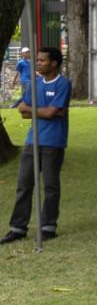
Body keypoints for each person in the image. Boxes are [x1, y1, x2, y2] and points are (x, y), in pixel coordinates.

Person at [1, 47, 71, 244]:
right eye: (37, 60)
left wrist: (39, 110)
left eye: (42, 60)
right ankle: (18, 228)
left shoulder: (63, 84)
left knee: (50, 185)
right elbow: (23, 111)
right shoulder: (34, 84)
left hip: (53, 142)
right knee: (24, 184)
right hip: (32, 140)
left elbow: (51, 112)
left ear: (54, 63)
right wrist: (45, 110)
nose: (38, 63)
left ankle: (48, 226)